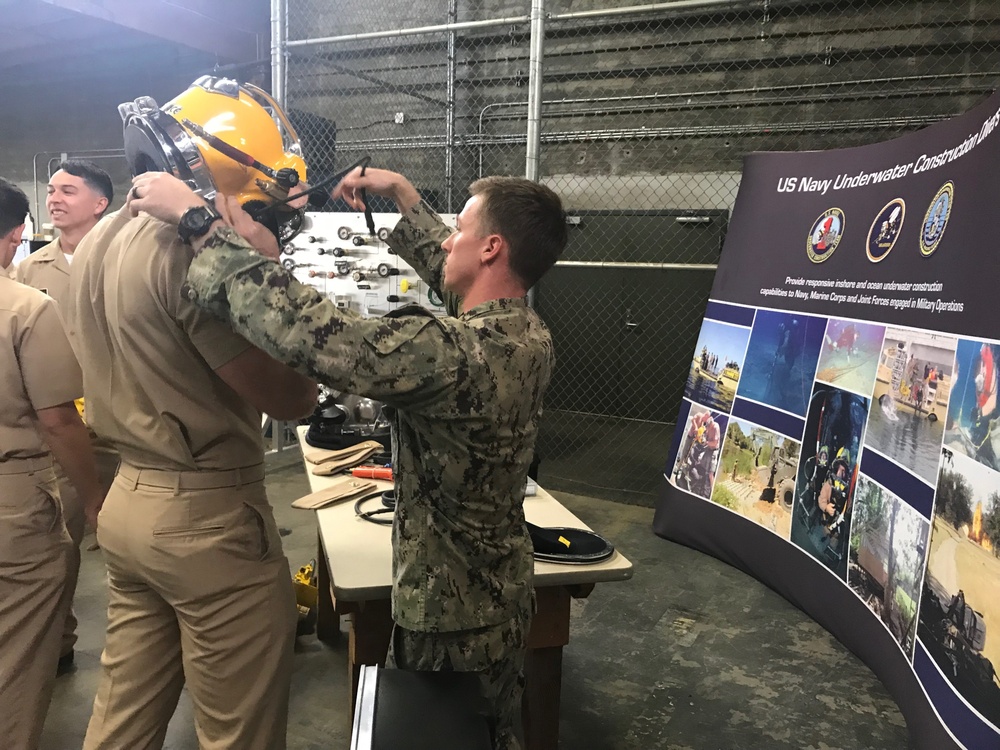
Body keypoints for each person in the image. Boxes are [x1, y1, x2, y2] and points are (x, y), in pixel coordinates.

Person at [129, 164, 569, 750]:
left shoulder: (459, 354)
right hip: (495, 588)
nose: (444, 238)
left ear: (492, 248)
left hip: (451, 608)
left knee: (445, 733)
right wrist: (402, 194)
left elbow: (323, 336)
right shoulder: (521, 332)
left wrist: (201, 225)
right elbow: (452, 274)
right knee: (484, 725)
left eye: (457, 228)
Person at [67, 95, 318, 747]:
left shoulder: (100, 238)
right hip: (207, 517)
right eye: (266, 194)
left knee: (122, 715)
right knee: (240, 729)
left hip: (130, 498)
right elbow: (290, 398)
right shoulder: (197, 254)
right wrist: (269, 283)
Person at [0, 177, 102, 749]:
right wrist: (92, 498)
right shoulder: (24, 305)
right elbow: (58, 419)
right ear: (17, 234)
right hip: (13, 495)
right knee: (15, 655)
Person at [14, 158, 119, 674]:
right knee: (64, 535)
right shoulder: (30, 269)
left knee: (134, 537)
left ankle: (137, 637)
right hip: (64, 419)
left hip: (128, 418)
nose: (53, 198)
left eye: (68, 190)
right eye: (51, 190)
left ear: (101, 203)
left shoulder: (130, 255)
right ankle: (56, 640)